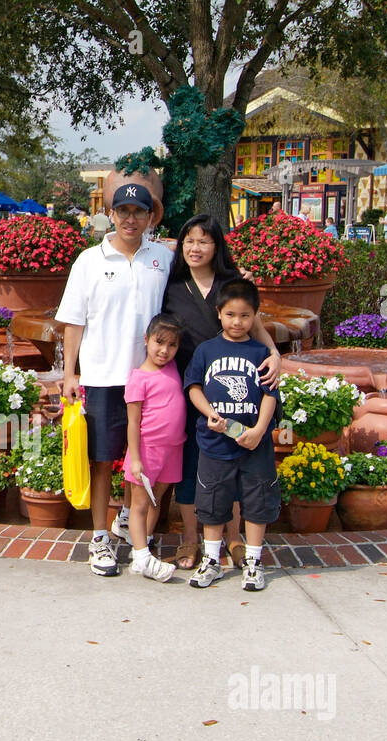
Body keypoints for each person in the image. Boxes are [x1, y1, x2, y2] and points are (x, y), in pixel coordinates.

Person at [58, 182, 172, 577]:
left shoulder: (162, 259)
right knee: (103, 460)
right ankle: (100, 536)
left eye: (138, 212)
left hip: (151, 380)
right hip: (104, 377)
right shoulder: (89, 260)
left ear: (150, 216)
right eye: (122, 210)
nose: (130, 218)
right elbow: (74, 321)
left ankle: (127, 519)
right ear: (112, 213)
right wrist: (71, 373)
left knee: (142, 459)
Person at [161, 213, 280, 571]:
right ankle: (191, 539)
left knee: (233, 459)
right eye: (189, 241)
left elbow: (255, 326)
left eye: (204, 241)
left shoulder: (231, 282)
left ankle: (232, 537)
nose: (196, 248)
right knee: (192, 464)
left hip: (235, 390)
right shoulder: (171, 284)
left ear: (217, 245)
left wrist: (274, 355)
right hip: (187, 386)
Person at [182, 278, 280, 592]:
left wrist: (260, 430)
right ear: (219, 313)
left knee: (256, 500)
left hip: (254, 445)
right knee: (212, 501)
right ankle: (211, 559)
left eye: (245, 316)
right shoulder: (207, 350)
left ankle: (253, 560)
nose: (237, 322)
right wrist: (207, 411)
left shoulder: (261, 351)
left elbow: (270, 394)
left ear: (255, 316)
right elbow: (194, 386)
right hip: (214, 442)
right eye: (230, 315)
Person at [124, 314, 187, 583]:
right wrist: (135, 458)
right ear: (146, 340)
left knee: (155, 500)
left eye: (172, 345)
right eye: (159, 342)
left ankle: (144, 548)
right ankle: (141, 556)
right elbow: (133, 422)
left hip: (173, 448)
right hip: (147, 450)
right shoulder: (138, 378)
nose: (164, 350)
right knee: (139, 505)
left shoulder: (172, 368)